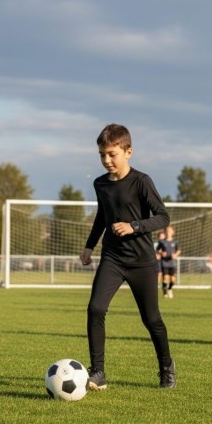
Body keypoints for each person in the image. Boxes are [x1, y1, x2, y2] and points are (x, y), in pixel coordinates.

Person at [79, 124, 176, 390]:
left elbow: (163, 217)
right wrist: (89, 246)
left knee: (151, 319)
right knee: (95, 308)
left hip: (141, 262)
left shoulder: (141, 181)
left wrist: (134, 226)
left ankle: (166, 366)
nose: (106, 160)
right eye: (102, 155)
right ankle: (98, 371)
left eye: (112, 154)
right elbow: (102, 216)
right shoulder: (100, 184)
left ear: (128, 152)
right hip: (112, 258)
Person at [157, 224, 181, 299]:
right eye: (167, 231)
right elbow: (158, 250)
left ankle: (170, 288)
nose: (168, 232)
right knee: (165, 278)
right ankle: (165, 293)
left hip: (172, 263)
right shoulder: (162, 242)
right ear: (165, 232)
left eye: (170, 231)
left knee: (173, 280)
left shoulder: (175, 241)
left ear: (173, 232)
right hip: (165, 263)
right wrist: (161, 253)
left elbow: (179, 250)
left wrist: (175, 255)